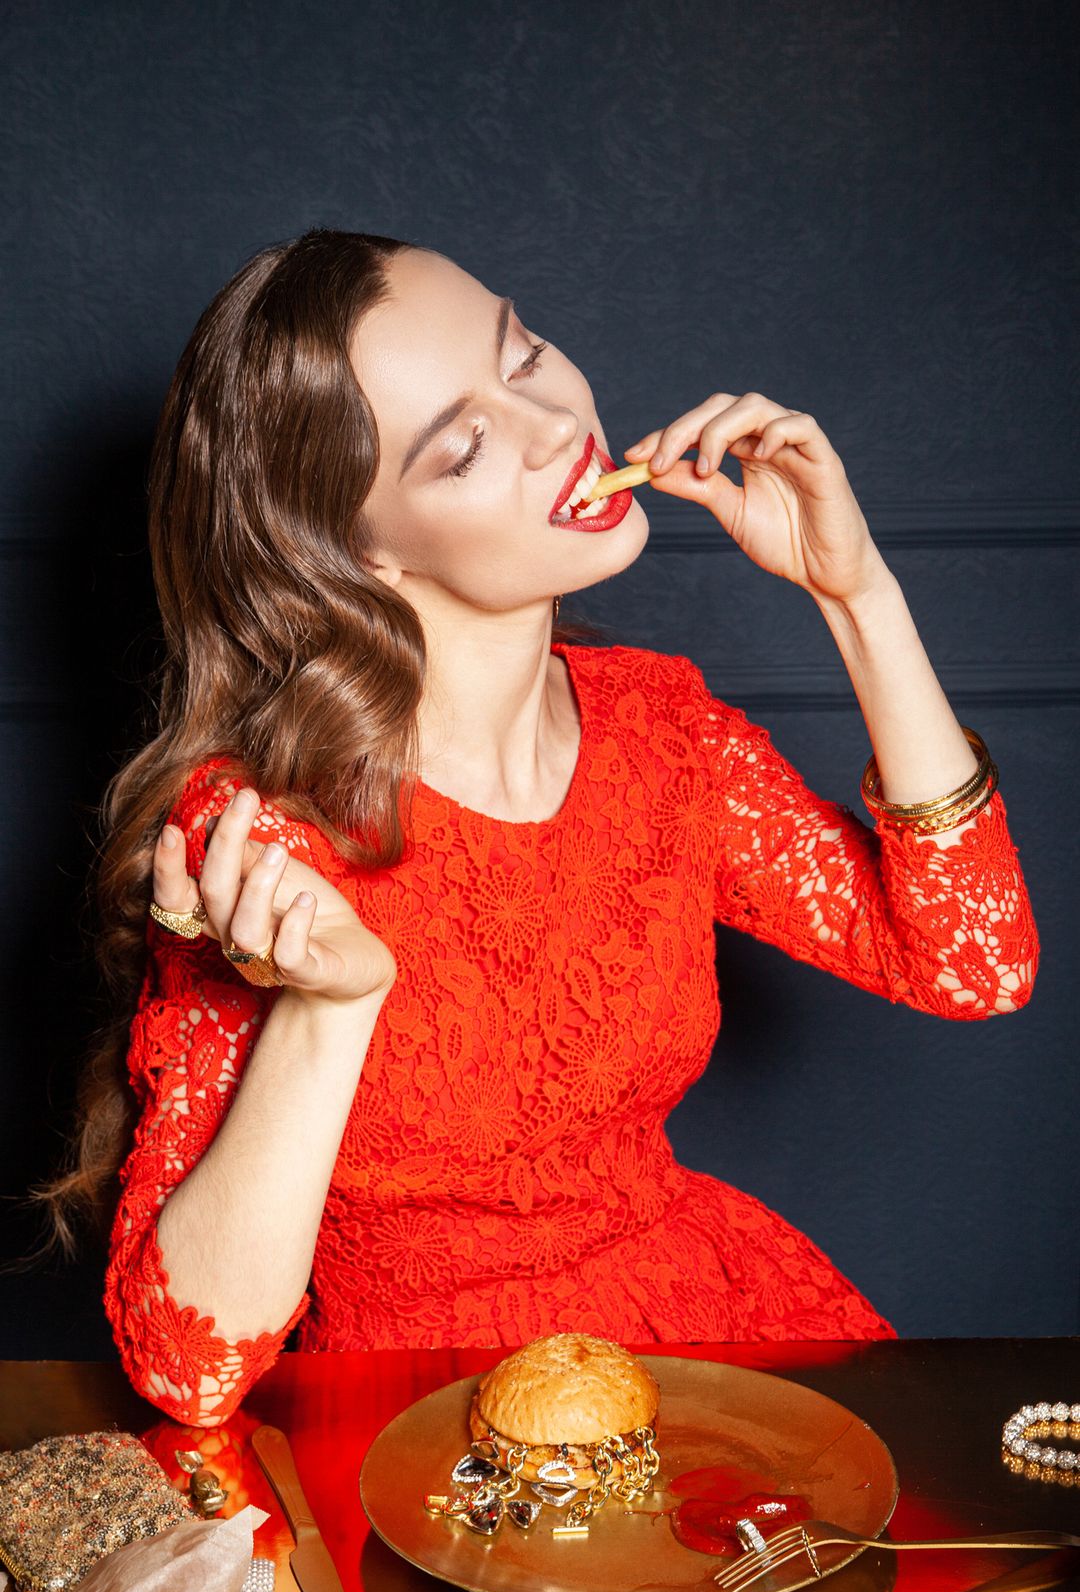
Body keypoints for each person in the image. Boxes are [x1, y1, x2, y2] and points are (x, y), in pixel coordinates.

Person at [43, 230, 1038, 1427]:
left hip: (700, 1336)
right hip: (424, 1421)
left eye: (526, 357)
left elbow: (975, 966)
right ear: (356, 549)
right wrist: (330, 1006)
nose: (554, 426)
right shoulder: (260, 833)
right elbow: (186, 1371)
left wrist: (858, 592)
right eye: (464, 448)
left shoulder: (662, 729)